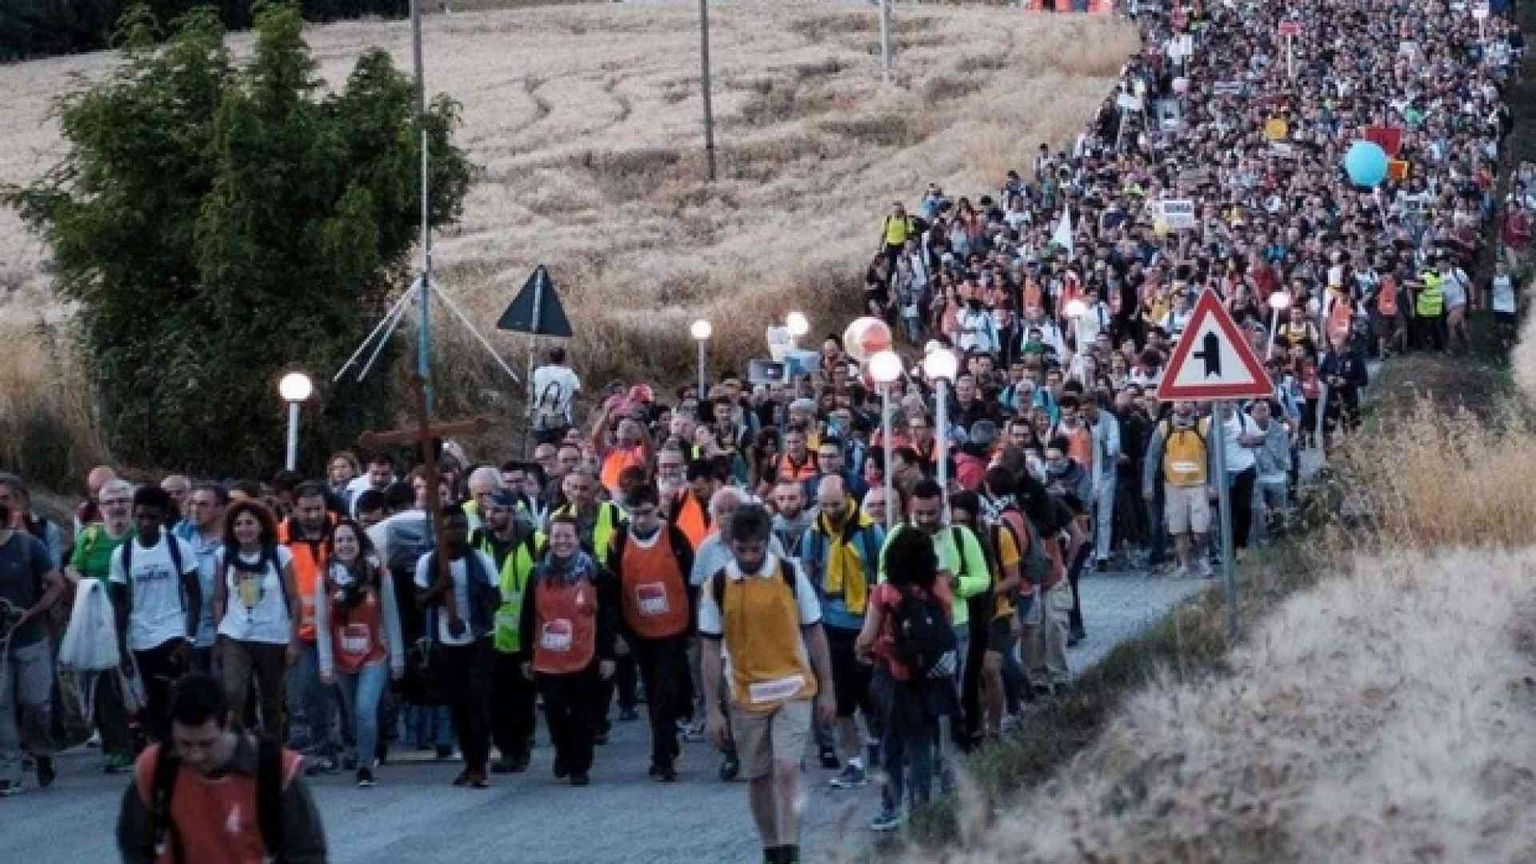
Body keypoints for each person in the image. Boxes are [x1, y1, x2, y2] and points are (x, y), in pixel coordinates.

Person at [699, 505, 836, 864]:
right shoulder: (717, 585)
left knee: (788, 767)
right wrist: (712, 709)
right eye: (741, 549)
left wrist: (828, 689)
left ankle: (791, 849)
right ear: (730, 545)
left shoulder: (790, 575)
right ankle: (771, 847)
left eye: (755, 549)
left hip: (793, 688)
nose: (748, 556)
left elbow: (815, 632)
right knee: (758, 777)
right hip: (746, 694)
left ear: (766, 543)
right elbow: (710, 649)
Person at [115, 672, 327, 863]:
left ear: (227, 722)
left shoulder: (275, 770)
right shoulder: (155, 768)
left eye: (207, 744)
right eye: (184, 744)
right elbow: (134, 845)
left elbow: (307, 853)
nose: (195, 756)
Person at [855, 526, 953, 832]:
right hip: (927, 676)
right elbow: (945, 626)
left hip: (891, 675)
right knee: (921, 742)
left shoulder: (884, 591)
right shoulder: (938, 586)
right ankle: (921, 807)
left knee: (892, 744)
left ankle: (891, 807)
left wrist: (864, 652)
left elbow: (867, 637)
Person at [798, 475, 885, 787]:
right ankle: (854, 760)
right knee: (841, 697)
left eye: (835, 504)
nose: (830, 511)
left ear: (848, 497)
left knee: (872, 692)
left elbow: (882, 577)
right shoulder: (814, 535)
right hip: (832, 625)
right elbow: (808, 577)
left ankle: (878, 741)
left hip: (866, 622)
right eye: (824, 505)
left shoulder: (871, 532)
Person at [519, 515, 619, 787]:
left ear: (578, 539)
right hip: (548, 657)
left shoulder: (598, 574)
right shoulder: (536, 573)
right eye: (556, 536)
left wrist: (607, 655)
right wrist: (526, 656)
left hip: (585, 655)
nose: (561, 541)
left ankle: (580, 766)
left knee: (583, 714)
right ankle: (563, 752)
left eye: (567, 536)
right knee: (554, 712)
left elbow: (608, 618)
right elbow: (528, 616)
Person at [609, 484, 695, 781]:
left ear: (658, 508)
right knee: (653, 689)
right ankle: (665, 747)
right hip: (638, 629)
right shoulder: (619, 539)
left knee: (665, 693)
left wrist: (692, 629)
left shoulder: (674, 536)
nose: (641, 520)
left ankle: (663, 758)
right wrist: (618, 632)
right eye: (635, 514)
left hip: (673, 628)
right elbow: (613, 587)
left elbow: (690, 581)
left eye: (646, 513)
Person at [414, 505, 500, 788]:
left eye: (462, 526)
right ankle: (469, 761)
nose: (457, 532)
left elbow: (495, 598)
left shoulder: (481, 560)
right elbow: (419, 601)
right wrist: (439, 588)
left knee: (478, 702)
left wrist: (475, 605)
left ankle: (480, 765)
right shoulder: (428, 562)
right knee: (458, 705)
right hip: (446, 644)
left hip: (478, 639)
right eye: (451, 526)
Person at [110, 485, 202, 745]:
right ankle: (160, 749)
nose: (144, 523)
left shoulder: (178, 547)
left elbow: (194, 595)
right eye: (139, 517)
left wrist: (189, 637)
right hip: (140, 637)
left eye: (151, 517)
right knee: (150, 700)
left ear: (163, 517)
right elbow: (119, 604)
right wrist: (120, 648)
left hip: (172, 632)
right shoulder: (123, 554)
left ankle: (176, 746)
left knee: (172, 693)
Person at [315, 519, 403, 787]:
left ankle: (365, 766)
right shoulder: (325, 578)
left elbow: (391, 616)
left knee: (365, 708)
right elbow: (321, 623)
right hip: (341, 658)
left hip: (374, 655)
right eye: (339, 540)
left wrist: (397, 657)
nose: (345, 545)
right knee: (353, 715)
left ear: (360, 542)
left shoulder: (377, 573)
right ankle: (361, 747)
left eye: (350, 539)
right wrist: (326, 663)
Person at [213, 499, 301, 741]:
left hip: (273, 634)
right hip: (236, 633)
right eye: (238, 524)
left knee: (271, 698)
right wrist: (220, 633)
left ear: (261, 525)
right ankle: (236, 743)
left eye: (250, 523)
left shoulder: (279, 554)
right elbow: (219, 597)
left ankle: (273, 749)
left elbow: (295, 599)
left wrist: (293, 641)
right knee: (233, 692)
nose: (244, 529)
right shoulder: (224, 555)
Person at [67, 477, 138, 773]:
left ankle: (145, 740)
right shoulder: (90, 536)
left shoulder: (143, 533)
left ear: (132, 504)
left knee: (137, 682)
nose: (117, 507)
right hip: (98, 620)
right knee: (105, 686)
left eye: (122, 500)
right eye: (110, 502)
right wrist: (86, 586)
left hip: (137, 619)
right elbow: (72, 567)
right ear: (100, 506)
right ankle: (117, 747)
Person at [0, 482, 66, 795]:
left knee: (35, 703)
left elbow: (55, 583)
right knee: (1, 705)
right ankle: (8, 770)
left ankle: (42, 752)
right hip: (1, 644)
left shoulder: (27, 546)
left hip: (30, 637)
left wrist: (34, 611)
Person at [472, 489, 543, 774]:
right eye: (487, 510)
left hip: (524, 634)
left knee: (521, 697)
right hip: (489, 634)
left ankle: (521, 744)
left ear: (512, 512)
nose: (491, 516)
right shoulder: (477, 541)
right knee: (492, 697)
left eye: (498, 510)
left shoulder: (535, 542)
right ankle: (506, 749)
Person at [278, 482, 340, 774]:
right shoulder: (281, 537)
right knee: (308, 690)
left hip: (339, 626)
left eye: (318, 509)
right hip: (300, 629)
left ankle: (346, 743)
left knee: (339, 691)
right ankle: (321, 746)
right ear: (294, 509)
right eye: (306, 510)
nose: (313, 515)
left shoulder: (341, 530)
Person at [1142, 401, 1213, 579]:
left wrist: (1215, 485)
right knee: (1178, 528)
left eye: (1187, 402)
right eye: (1179, 402)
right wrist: (1148, 484)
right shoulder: (1164, 427)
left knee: (1201, 528)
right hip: (1173, 485)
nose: (1182, 406)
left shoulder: (1203, 426)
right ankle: (1184, 564)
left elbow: (1216, 456)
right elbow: (1151, 457)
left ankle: (1202, 558)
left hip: (1199, 484)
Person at [173, 483, 227, 673]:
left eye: (203, 505)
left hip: (216, 635)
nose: (195, 509)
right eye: (193, 503)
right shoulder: (178, 536)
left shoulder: (232, 543)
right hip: (181, 633)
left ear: (220, 509)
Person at [531, 346, 582, 444]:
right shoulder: (569, 374)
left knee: (542, 448)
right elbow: (578, 392)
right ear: (564, 358)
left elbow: (532, 388)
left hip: (541, 418)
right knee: (559, 449)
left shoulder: (539, 371)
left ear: (549, 357)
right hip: (561, 419)